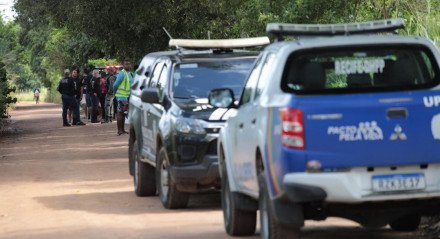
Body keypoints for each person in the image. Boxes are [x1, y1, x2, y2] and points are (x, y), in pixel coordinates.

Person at [113, 60, 133, 135]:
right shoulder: (122, 74)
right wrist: (115, 93)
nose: (127, 65)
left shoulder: (130, 74)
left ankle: (123, 130)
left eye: (128, 64)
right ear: (123, 65)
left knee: (124, 113)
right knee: (120, 113)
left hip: (127, 97)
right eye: (126, 64)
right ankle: (119, 130)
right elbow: (115, 85)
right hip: (121, 96)